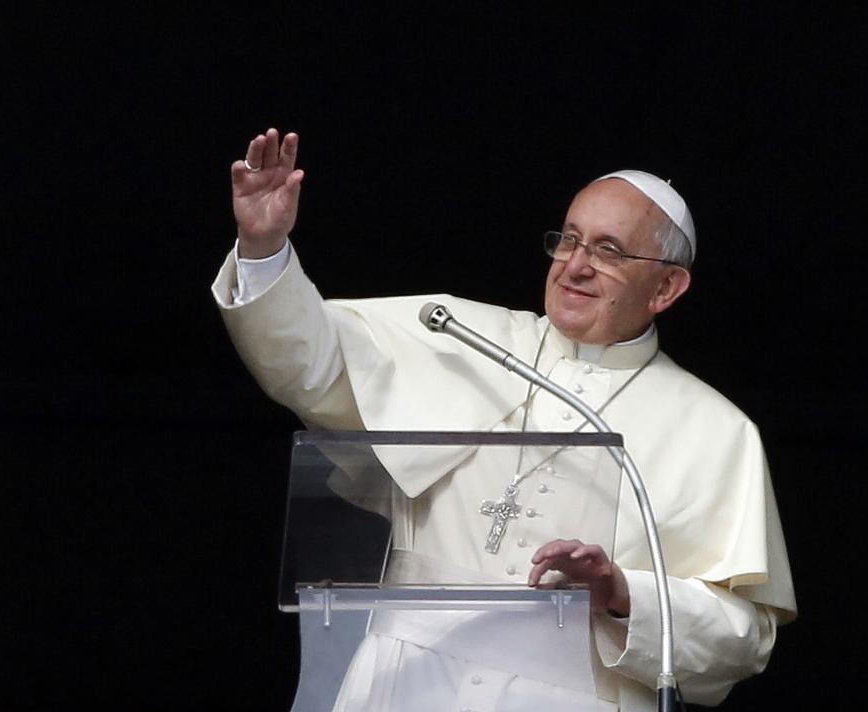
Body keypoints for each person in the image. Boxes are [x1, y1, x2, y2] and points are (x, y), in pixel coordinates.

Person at [212, 128, 797, 711]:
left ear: (667, 286)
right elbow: (308, 366)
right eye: (568, 240)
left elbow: (744, 638)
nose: (576, 265)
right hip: (404, 684)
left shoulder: (716, 430)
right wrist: (263, 249)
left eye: (608, 250)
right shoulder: (458, 335)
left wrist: (621, 594)